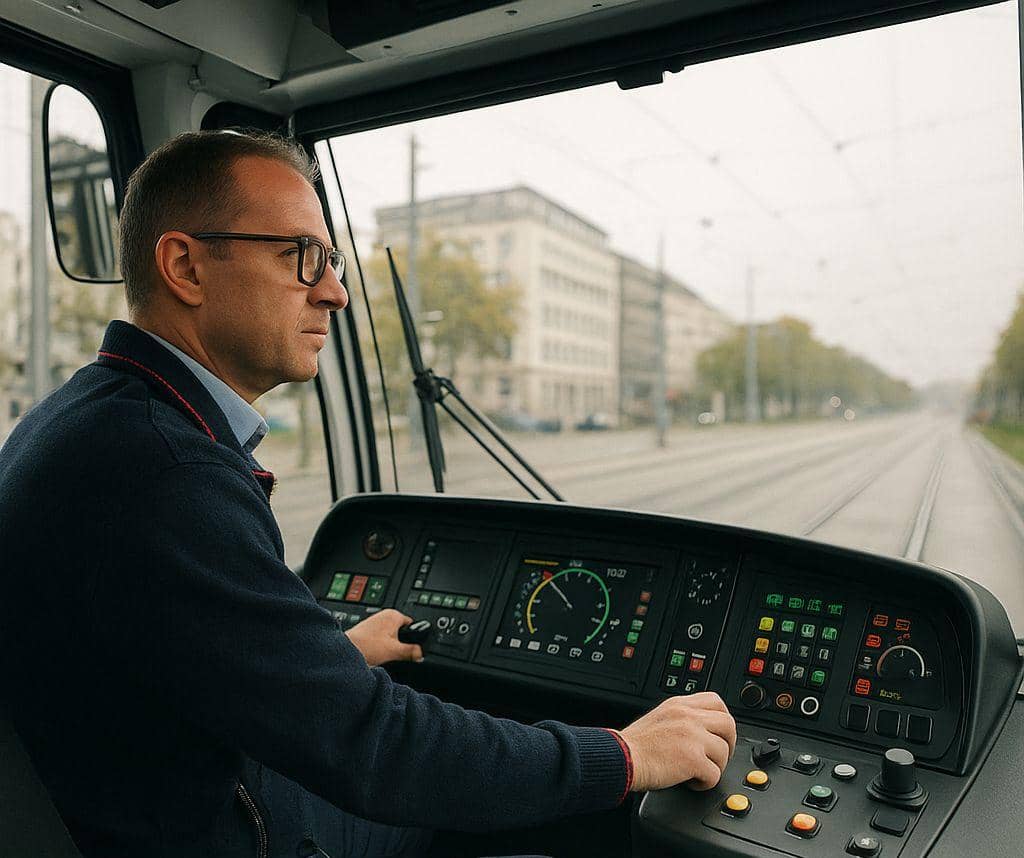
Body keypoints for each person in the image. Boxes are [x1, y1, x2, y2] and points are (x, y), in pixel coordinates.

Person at [0, 131, 736, 858]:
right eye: (303, 258)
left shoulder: (86, 416)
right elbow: (380, 748)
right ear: (186, 266)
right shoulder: (168, 474)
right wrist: (628, 754)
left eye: (334, 260)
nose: (336, 291)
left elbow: (171, 654)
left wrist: (331, 657)